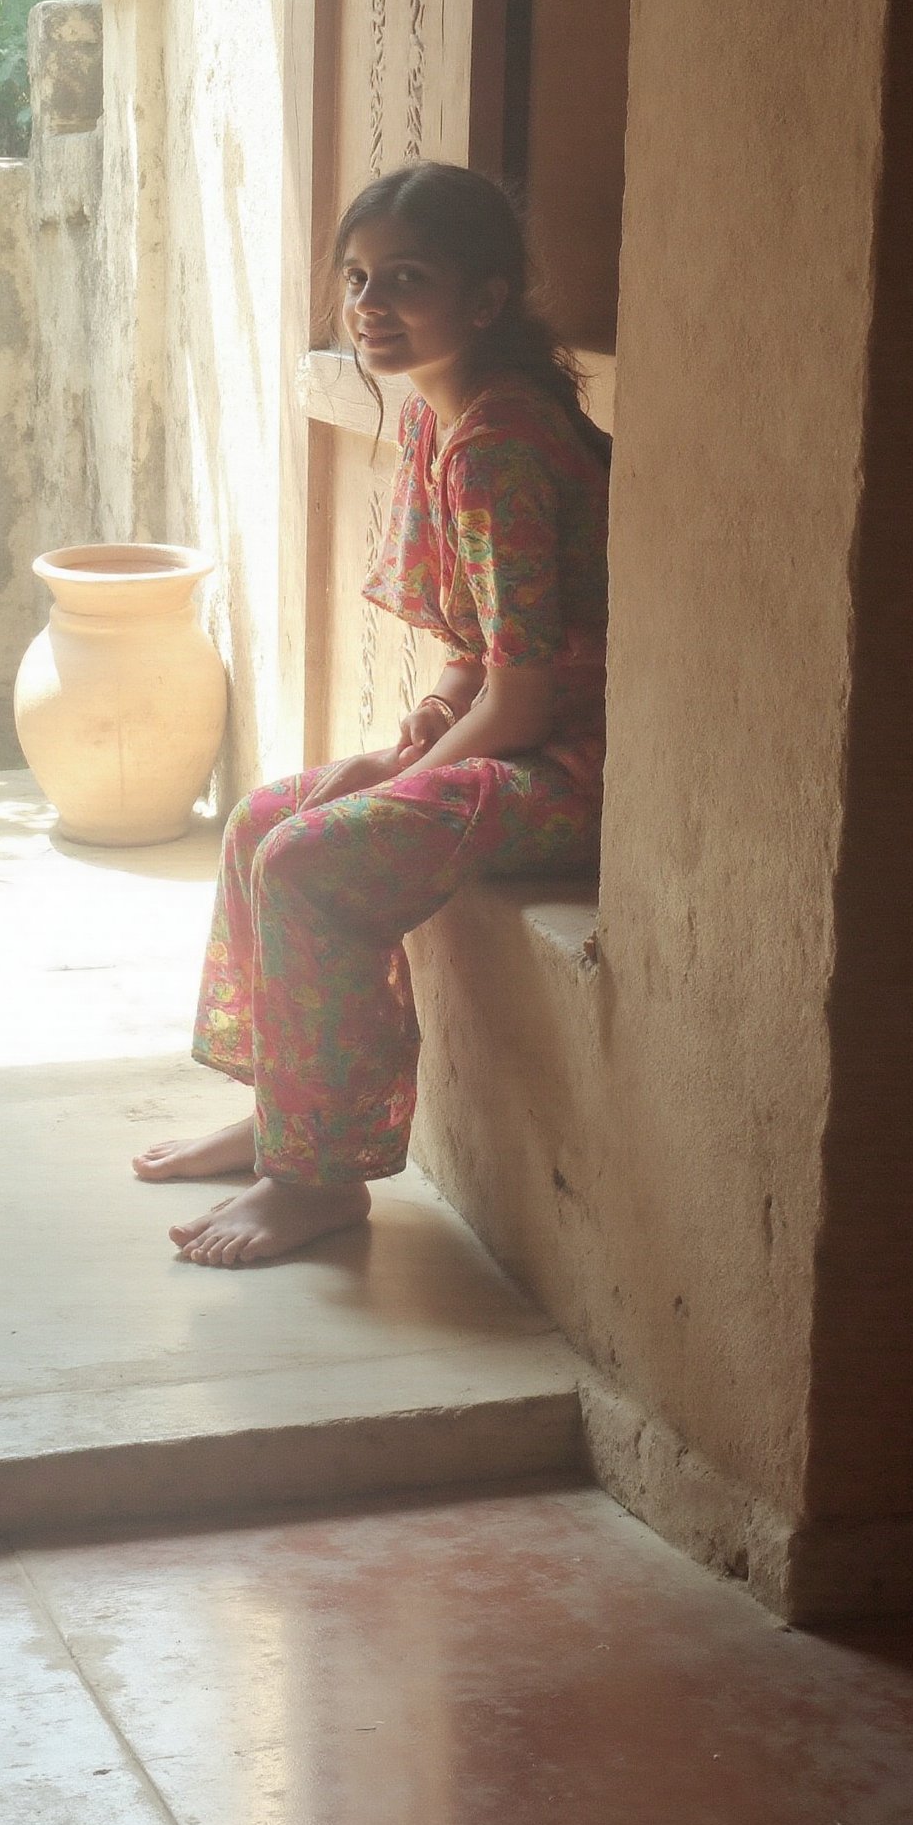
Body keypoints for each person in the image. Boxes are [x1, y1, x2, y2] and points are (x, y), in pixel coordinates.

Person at [134, 161, 611, 1266]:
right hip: (519, 731)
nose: (367, 306)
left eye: (405, 279)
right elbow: (478, 652)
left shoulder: (497, 441)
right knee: (264, 817)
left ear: (483, 301)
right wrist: (417, 732)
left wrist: (400, 776)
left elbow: (527, 693)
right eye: (356, 278)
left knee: (309, 862)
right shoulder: (443, 423)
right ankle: (282, 1112)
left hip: (578, 768)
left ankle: (316, 1181)